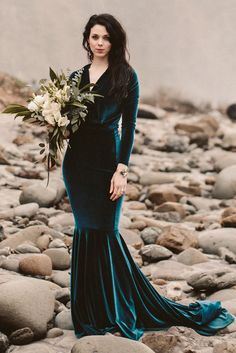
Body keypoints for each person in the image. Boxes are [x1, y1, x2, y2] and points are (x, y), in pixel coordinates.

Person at [62, 13, 235, 341]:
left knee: (106, 231)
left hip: (107, 163)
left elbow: (130, 127)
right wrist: (54, 121)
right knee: (85, 231)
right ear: (87, 40)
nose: (99, 43)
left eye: (106, 38)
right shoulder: (75, 77)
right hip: (77, 166)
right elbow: (71, 124)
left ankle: (115, 306)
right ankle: (89, 310)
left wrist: (121, 170)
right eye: (94, 37)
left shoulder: (126, 76)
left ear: (115, 41)